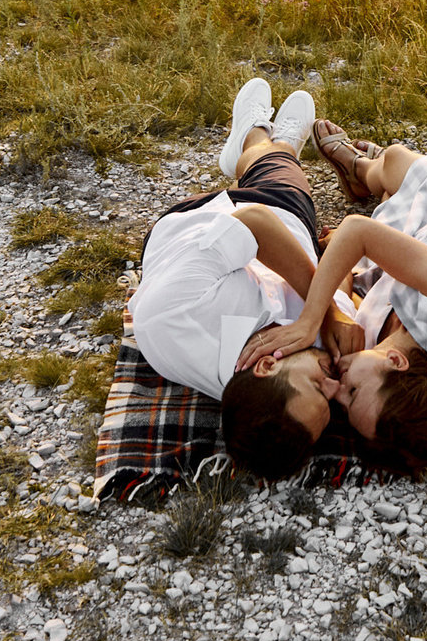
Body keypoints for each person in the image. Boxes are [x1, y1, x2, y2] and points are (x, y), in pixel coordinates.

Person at [239, 126, 427, 473]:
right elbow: (357, 230)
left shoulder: (372, 349)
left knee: (381, 218)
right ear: (396, 362)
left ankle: (377, 188)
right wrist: (310, 320)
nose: (336, 389)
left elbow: (347, 279)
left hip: (417, 250)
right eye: (352, 392)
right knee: (397, 161)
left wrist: (337, 296)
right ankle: (363, 171)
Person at [127, 77, 341, 479]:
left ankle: (256, 137)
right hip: (290, 229)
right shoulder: (307, 362)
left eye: (320, 389)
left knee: (271, 167)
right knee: (289, 183)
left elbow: (256, 223)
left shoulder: (171, 316)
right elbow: (342, 276)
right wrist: (332, 312)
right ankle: (280, 150)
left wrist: (318, 312)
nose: (335, 387)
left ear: (263, 367)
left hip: (202, 224)